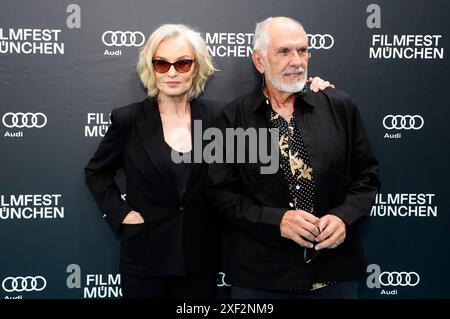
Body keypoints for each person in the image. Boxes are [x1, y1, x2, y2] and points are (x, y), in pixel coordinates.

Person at [84, 23, 333, 299]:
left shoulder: (218, 117)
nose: (172, 73)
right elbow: (96, 172)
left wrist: (306, 90)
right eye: (161, 64)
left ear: (197, 67)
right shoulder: (128, 120)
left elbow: (264, 145)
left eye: (183, 63)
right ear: (150, 68)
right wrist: (121, 214)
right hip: (145, 257)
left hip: (202, 258)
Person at [207, 17, 380, 299]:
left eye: (302, 50)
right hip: (261, 280)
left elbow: (367, 176)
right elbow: (221, 195)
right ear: (260, 61)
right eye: (284, 52)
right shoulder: (232, 119)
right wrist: (277, 220)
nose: (297, 60)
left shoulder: (339, 106)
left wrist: (343, 218)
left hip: (335, 274)